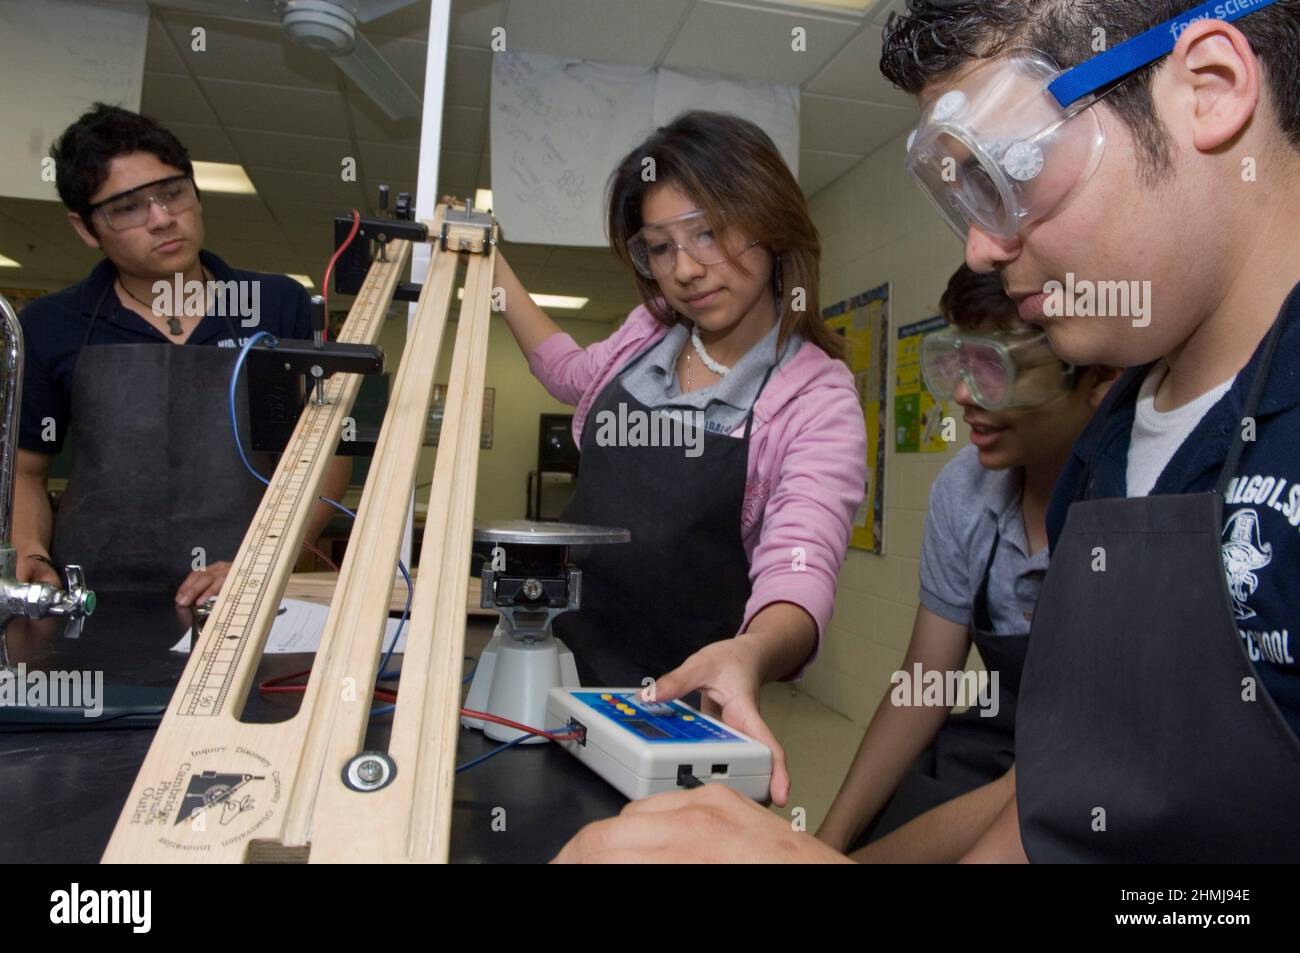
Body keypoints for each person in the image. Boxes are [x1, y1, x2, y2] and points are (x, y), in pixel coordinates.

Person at [556, 0, 1300, 863]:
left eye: (1011, 166)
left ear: (1210, 90)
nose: (982, 245)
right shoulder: (1109, 457)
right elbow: (1064, 794)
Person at [487, 111, 867, 805]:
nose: (686, 269)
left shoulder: (816, 395)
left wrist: (750, 654)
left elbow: (799, 565)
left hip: (673, 721)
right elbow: (568, 370)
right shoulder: (645, 332)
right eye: (660, 248)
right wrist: (491, 264)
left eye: (710, 233)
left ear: (771, 222)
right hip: (558, 670)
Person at [816, 265, 1115, 860]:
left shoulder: (1131, 504)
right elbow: (926, 684)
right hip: (991, 746)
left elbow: (1046, 784)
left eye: (996, 367)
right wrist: (826, 843)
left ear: (1097, 376)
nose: (961, 395)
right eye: (958, 361)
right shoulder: (964, 491)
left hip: (1094, 774)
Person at [14, 104, 350, 607]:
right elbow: (26, 471)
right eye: (127, 208)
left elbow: (328, 455)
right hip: (94, 602)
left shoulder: (277, 304)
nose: (161, 219)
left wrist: (262, 559)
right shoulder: (49, 325)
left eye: (172, 193)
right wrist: (31, 553)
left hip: (242, 597)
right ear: (86, 229)